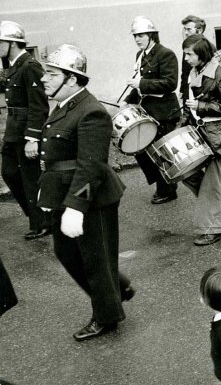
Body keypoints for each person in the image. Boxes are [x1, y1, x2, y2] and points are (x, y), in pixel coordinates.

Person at [38, 44, 133, 341]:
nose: (44, 79)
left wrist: (76, 207)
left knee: (95, 260)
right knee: (66, 253)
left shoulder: (91, 111)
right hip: (65, 193)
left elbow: (91, 165)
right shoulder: (66, 105)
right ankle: (116, 288)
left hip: (92, 198)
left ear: (73, 79)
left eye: (51, 74)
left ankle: (107, 316)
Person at [181, 35, 221, 246]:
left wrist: (201, 107)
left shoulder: (219, 74)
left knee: (212, 183)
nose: (186, 57)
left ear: (202, 54)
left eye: (190, 54)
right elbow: (190, 103)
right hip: (198, 133)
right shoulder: (195, 71)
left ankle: (214, 228)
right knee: (185, 172)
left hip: (216, 136)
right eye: (185, 53)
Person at [0, 20, 50, 240]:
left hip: (25, 131)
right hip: (13, 129)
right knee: (9, 172)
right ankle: (38, 215)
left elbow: (39, 105)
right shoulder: (14, 65)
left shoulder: (30, 66)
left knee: (30, 178)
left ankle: (42, 222)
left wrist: (33, 137)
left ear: (12, 43)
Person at [124, 16, 181, 204]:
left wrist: (142, 83)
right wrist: (127, 101)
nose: (137, 39)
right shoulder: (140, 56)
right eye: (135, 36)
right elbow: (137, 85)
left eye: (141, 35)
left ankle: (168, 189)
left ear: (151, 35)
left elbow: (170, 83)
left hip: (164, 111)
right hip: (147, 111)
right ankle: (163, 184)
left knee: (161, 152)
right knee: (142, 150)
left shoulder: (165, 54)